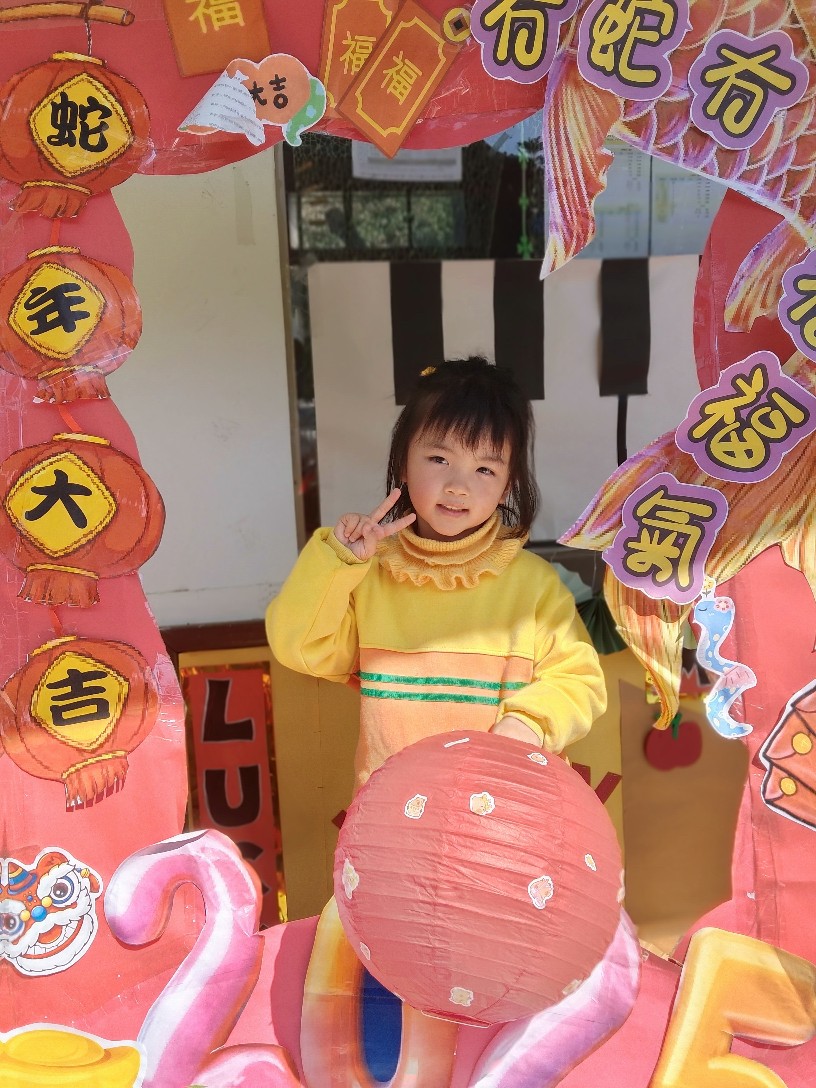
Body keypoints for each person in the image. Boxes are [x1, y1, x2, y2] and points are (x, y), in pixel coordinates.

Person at [267, 357, 606, 791]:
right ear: (403, 464)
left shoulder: (534, 586)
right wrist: (337, 563)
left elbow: (579, 680)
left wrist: (528, 724)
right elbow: (300, 648)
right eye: (439, 459)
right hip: (394, 814)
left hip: (505, 812)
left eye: (485, 469)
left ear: (508, 484)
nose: (458, 486)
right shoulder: (367, 575)